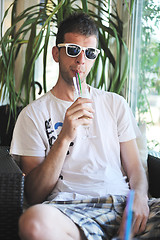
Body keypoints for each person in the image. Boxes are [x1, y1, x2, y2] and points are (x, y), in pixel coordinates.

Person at [10, 13, 160, 240]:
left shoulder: (114, 103)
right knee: (33, 223)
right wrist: (64, 137)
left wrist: (138, 197)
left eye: (89, 53)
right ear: (56, 53)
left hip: (121, 205)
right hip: (69, 210)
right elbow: (34, 194)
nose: (81, 60)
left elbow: (135, 169)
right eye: (72, 50)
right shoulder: (32, 115)